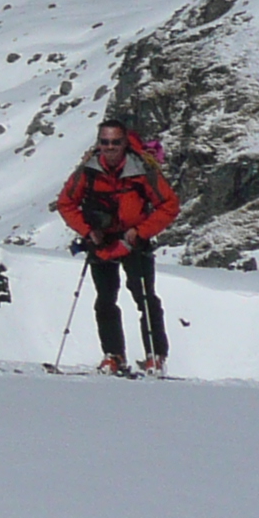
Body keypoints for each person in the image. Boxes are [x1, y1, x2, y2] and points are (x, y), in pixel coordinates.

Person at [56, 119, 181, 374]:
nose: (110, 147)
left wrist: (140, 231)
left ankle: (155, 356)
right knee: (105, 300)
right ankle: (113, 355)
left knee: (144, 299)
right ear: (98, 143)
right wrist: (88, 231)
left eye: (115, 142)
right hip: (101, 243)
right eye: (105, 142)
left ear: (125, 143)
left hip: (135, 242)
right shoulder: (87, 171)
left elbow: (169, 205)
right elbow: (66, 203)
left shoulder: (143, 170)